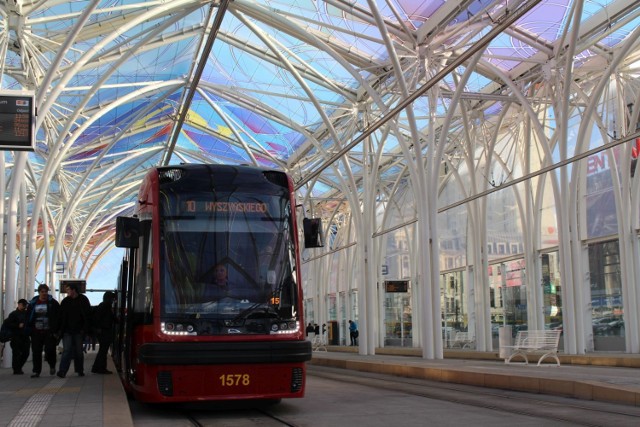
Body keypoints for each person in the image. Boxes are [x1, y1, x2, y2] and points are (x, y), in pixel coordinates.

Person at [56, 282, 92, 378]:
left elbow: (88, 315)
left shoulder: (83, 300)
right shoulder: (65, 301)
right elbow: (60, 317)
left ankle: (79, 370)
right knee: (67, 350)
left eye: (68, 290)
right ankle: (62, 371)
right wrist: (59, 330)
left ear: (73, 290)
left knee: (79, 351)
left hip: (79, 331)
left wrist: (86, 330)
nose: (67, 292)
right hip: (67, 330)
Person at [27, 284, 60, 378]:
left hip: (49, 331)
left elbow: (58, 316)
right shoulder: (33, 303)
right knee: (36, 351)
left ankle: (52, 365)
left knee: (50, 350)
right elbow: (28, 316)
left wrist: (56, 330)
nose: (44, 293)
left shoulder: (53, 303)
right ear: (39, 292)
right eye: (42, 292)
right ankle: (36, 371)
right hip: (36, 331)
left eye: (46, 291)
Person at [91, 291, 116, 374]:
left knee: (102, 350)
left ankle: (96, 367)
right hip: (104, 331)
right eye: (112, 299)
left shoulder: (104, 306)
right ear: (109, 298)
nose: (113, 301)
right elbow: (100, 318)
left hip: (103, 330)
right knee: (103, 350)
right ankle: (101, 368)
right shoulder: (105, 306)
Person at [6, 299, 31, 374]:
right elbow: (8, 324)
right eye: (24, 305)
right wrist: (17, 325)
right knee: (16, 353)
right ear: (19, 304)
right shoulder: (13, 314)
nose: (25, 306)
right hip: (16, 337)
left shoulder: (27, 314)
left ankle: (18, 367)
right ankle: (16, 369)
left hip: (25, 336)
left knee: (26, 352)